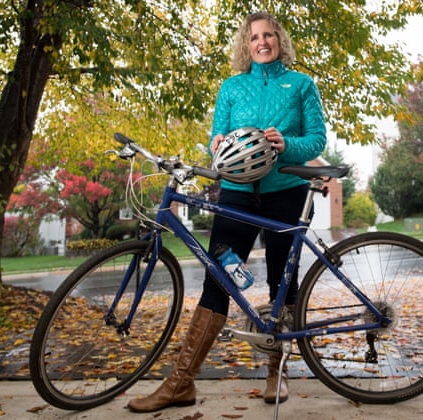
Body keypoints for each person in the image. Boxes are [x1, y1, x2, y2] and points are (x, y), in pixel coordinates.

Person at [128, 11, 326, 413]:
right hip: (235, 194)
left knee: (280, 284)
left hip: (286, 192)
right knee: (217, 280)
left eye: (269, 35)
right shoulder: (232, 87)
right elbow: (214, 139)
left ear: (279, 40)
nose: (263, 42)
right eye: (255, 37)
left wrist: (286, 143)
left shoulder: (302, 85)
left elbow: (317, 139)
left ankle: (277, 373)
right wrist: (216, 143)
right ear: (246, 44)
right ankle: (181, 383)